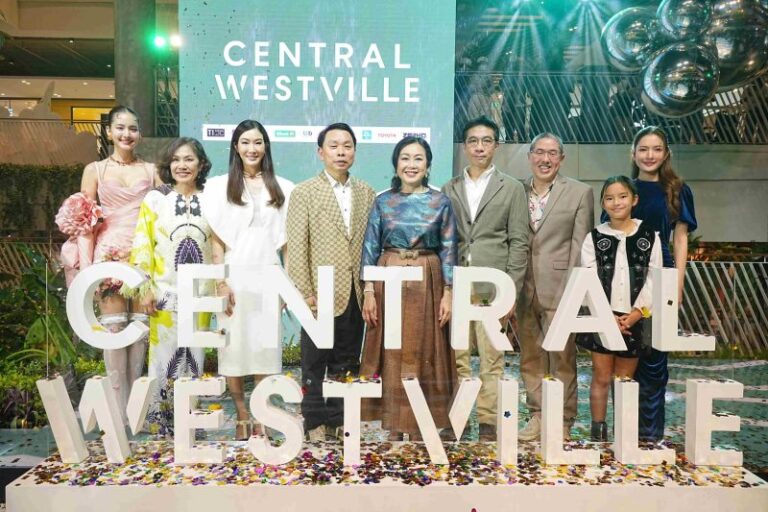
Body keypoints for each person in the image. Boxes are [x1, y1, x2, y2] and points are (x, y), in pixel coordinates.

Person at [360, 137, 458, 441]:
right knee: (391, 349)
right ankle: (393, 422)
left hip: (427, 276)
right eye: (405, 158)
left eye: (418, 159)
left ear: (428, 166)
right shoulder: (382, 201)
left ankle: (419, 424)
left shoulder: (441, 202)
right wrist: (368, 291)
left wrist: (449, 291)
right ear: (396, 164)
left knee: (425, 348)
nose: (411, 165)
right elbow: (370, 246)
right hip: (388, 273)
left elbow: (449, 248)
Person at [201, 120, 294, 440]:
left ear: (266, 146)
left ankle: (261, 414)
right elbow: (216, 240)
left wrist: (287, 288)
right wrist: (221, 282)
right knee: (233, 349)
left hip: (269, 275)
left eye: (257, 142)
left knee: (266, 349)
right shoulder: (218, 187)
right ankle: (241, 413)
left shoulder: (284, 187)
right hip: (234, 276)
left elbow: (287, 245)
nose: (252, 148)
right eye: (245, 142)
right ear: (235, 147)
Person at [286, 123, 376, 442]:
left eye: (347, 146)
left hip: (353, 291)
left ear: (354, 152)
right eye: (334, 146)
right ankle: (313, 420)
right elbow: (297, 246)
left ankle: (339, 418)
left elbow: (369, 244)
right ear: (320, 152)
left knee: (347, 360)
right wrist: (305, 292)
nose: (341, 152)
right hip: (319, 293)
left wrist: (368, 289)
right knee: (314, 361)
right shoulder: (304, 192)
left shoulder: (366, 192)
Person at [442, 117, 528, 441]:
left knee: (493, 359)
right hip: (459, 283)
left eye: (487, 140)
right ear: (465, 146)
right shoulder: (449, 188)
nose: (480, 147)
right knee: (457, 357)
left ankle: (489, 422)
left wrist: (512, 290)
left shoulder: (512, 188)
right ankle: (459, 418)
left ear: (496, 145)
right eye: (473, 141)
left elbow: (519, 241)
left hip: (494, 287)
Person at [128, 137, 213, 437]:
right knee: (163, 359)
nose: (182, 165)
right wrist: (144, 288)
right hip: (164, 294)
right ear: (168, 164)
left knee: (195, 357)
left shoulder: (212, 199)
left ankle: (191, 423)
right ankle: (161, 423)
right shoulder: (155, 200)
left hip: (202, 297)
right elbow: (142, 245)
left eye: (189, 159)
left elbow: (219, 245)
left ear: (201, 164)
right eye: (176, 160)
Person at [79, 105, 159, 422]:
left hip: (142, 257)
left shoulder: (151, 170)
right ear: (109, 131)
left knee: (138, 333)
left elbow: (160, 217)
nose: (127, 134)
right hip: (108, 257)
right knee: (114, 332)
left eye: (133, 128)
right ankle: (115, 414)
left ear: (139, 133)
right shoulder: (95, 170)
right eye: (121, 128)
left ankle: (135, 413)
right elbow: (84, 222)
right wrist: (86, 269)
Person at [518, 132, 594, 442]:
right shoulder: (516, 191)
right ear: (530, 156)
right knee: (530, 356)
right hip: (524, 287)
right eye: (539, 152)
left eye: (552, 153)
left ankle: (563, 419)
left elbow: (581, 244)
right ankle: (537, 416)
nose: (545, 159)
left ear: (561, 159)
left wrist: (574, 290)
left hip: (561, 286)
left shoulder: (580, 192)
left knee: (562, 357)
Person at [576, 176, 661, 442]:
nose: (616, 202)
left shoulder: (650, 236)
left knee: (625, 379)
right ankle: (598, 433)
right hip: (601, 317)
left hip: (635, 318)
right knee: (601, 376)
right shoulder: (594, 237)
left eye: (623, 196)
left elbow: (654, 277)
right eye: (609, 198)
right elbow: (588, 278)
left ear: (634, 200)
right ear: (603, 203)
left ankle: (623, 435)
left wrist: (635, 314)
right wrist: (606, 317)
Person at [628, 126, 697, 442]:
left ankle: (650, 434)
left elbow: (681, 240)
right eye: (643, 149)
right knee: (627, 356)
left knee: (654, 357)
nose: (649, 155)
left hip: (662, 276)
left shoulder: (677, 189)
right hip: (627, 276)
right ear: (633, 153)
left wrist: (677, 283)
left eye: (656, 149)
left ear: (666, 153)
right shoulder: (624, 187)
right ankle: (626, 432)